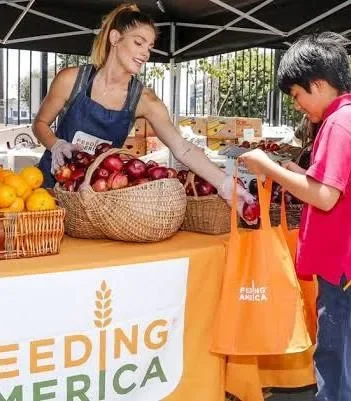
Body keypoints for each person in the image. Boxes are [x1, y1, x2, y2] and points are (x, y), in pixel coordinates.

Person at [32, 2, 251, 206]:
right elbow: (40, 123)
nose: (146, 53)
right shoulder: (72, 80)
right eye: (138, 42)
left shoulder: (145, 100)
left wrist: (225, 185)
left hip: (96, 201)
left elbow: (182, 149)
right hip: (50, 191)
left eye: (150, 47)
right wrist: (56, 144)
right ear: (115, 38)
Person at [239, 32, 351, 401]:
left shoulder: (337, 124)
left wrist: (269, 168)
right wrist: (300, 174)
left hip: (342, 271)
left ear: (317, 84)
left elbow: (324, 197)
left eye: (297, 95)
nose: (297, 105)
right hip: (343, 265)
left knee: (336, 365)